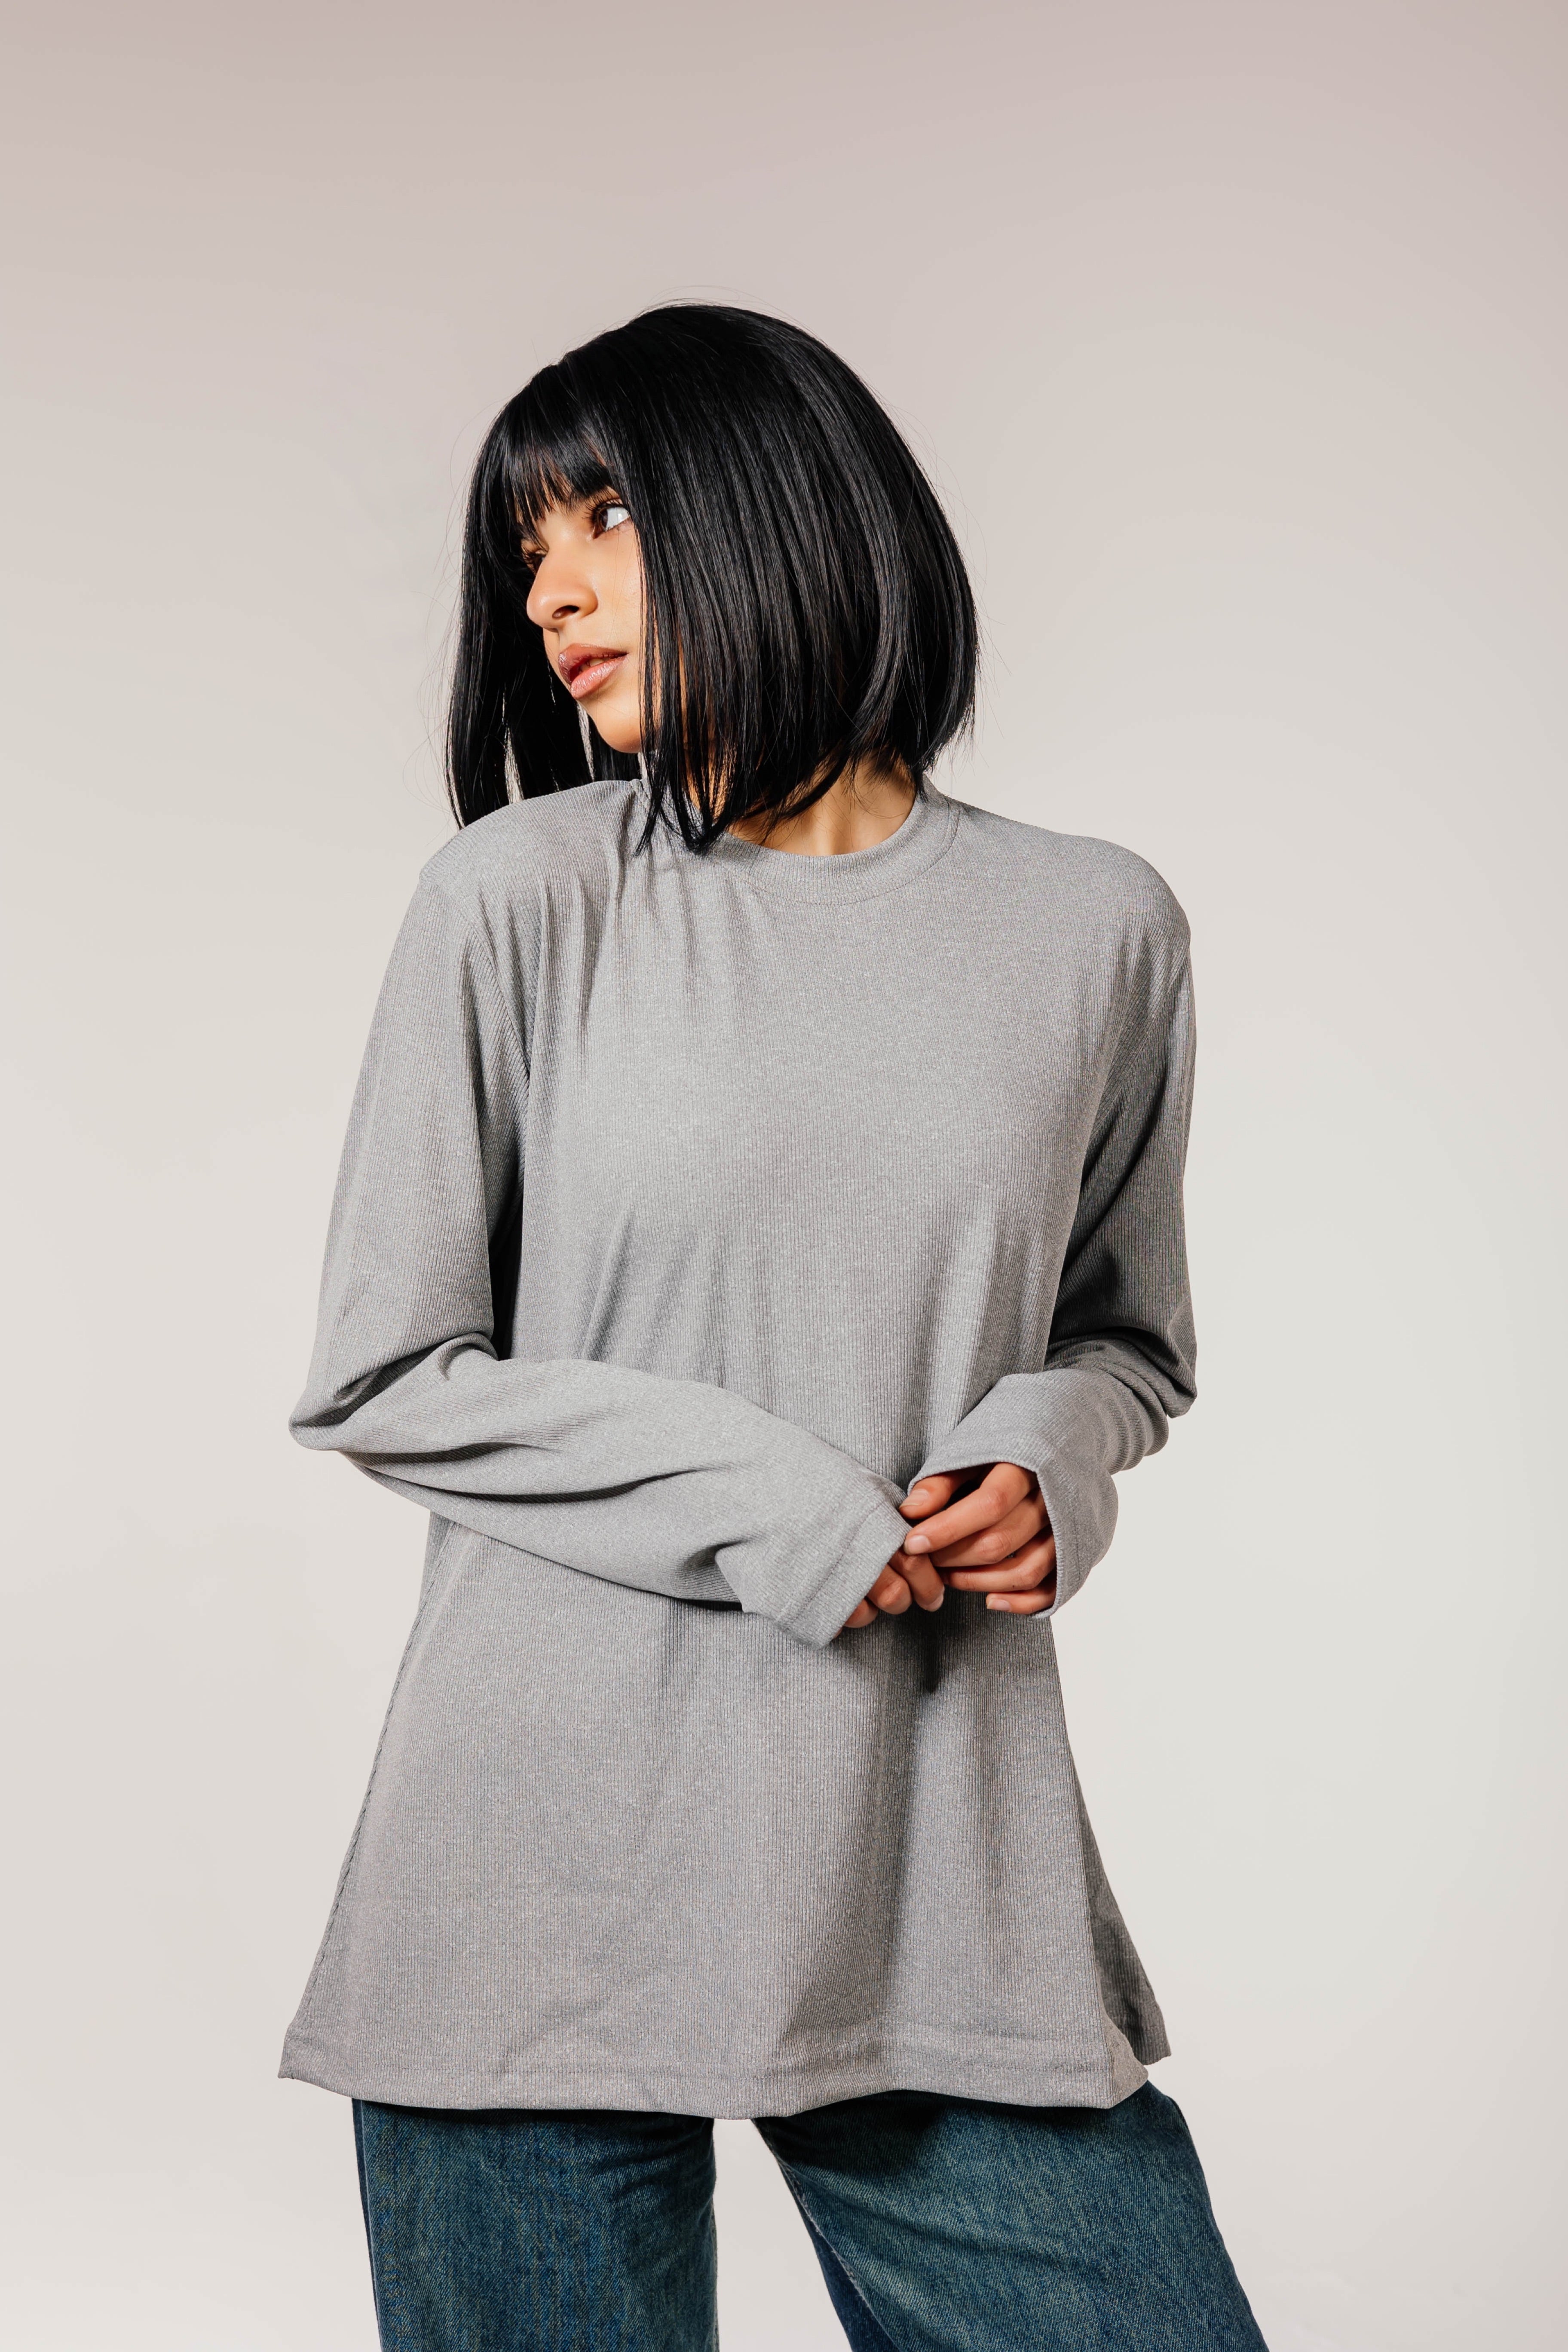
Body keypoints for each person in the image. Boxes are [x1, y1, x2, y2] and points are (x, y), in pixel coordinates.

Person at [283, 303, 1265, 2350]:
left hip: (931, 1865)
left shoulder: (1097, 930)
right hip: (530, 1875)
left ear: (781, 503)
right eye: (525, 549)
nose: (549, 593)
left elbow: (1130, 1344)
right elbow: (386, 1377)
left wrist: (1047, 1459)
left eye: (605, 517)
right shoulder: (516, 900)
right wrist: (777, 1501)